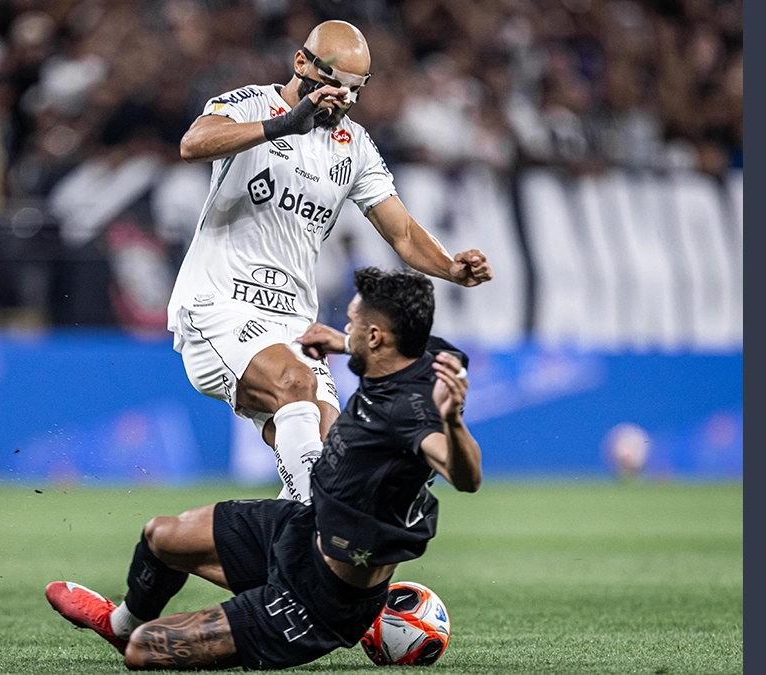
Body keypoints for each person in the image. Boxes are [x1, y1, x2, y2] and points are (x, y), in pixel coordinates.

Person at [46, 267, 483, 670]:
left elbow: (465, 476)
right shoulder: (417, 353)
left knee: (147, 650)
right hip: (301, 528)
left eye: (351, 324)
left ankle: (210, 626)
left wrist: (453, 421)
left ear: (375, 337)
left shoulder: (411, 413)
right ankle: (119, 626)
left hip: (320, 599)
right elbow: (405, 348)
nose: (345, 329)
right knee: (162, 536)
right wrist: (339, 342)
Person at [168, 19, 493, 504]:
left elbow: (401, 230)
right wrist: (285, 123)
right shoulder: (250, 104)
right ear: (301, 63)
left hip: (294, 323)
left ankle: (281, 568)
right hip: (219, 306)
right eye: (333, 83)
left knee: (335, 464)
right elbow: (192, 145)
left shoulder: (354, 146)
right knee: (295, 384)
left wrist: (450, 268)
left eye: (354, 90)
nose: (341, 99)